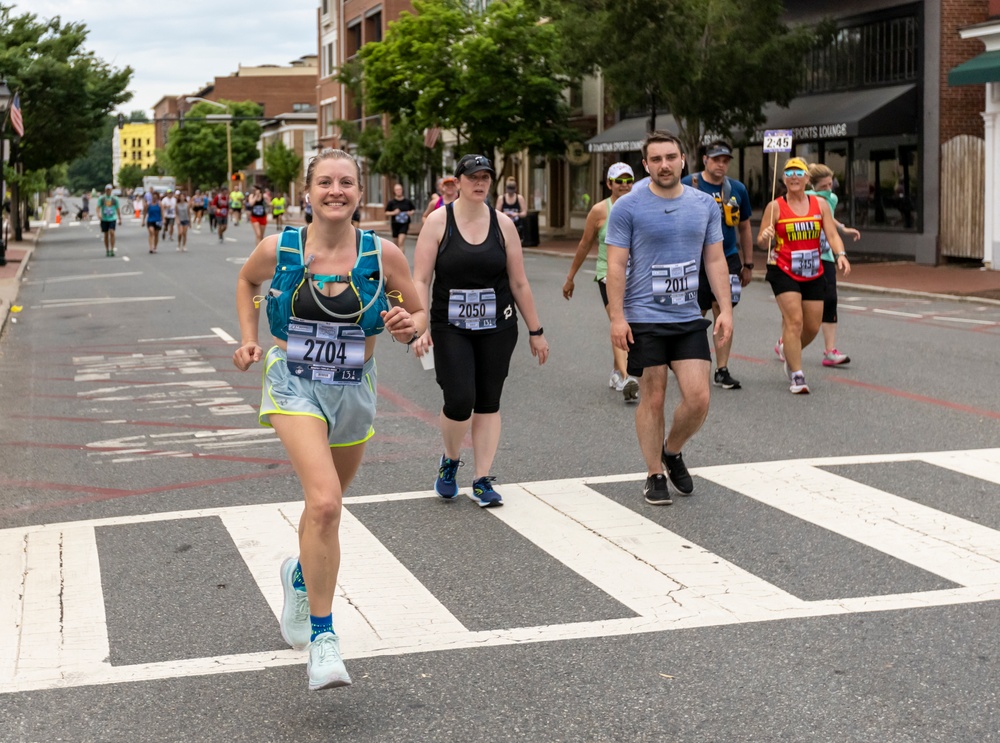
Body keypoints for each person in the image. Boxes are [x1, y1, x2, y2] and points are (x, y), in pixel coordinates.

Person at [233, 148, 425, 691]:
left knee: (325, 513)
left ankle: (299, 575)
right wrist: (249, 340)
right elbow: (247, 284)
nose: (335, 190)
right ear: (307, 191)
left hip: (353, 389)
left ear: (359, 192)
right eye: (324, 182)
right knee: (324, 502)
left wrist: (408, 324)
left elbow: (415, 316)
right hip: (293, 382)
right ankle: (324, 639)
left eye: (345, 182)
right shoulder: (280, 248)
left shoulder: (382, 256)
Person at [412, 154, 549, 508]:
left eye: (486, 177)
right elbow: (421, 279)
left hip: (498, 325)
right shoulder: (438, 222)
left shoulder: (503, 224)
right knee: (459, 400)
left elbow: (519, 282)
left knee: (488, 401)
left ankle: (482, 478)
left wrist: (536, 330)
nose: (480, 182)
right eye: (472, 176)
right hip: (450, 326)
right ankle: (450, 459)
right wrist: (420, 325)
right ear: (457, 181)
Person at [605, 130, 732, 506]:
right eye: (656, 159)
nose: (664, 165)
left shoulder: (704, 205)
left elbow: (714, 259)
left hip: (687, 315)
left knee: (698, 398)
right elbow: (616, 264)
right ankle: (654, 473)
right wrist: (617, 316)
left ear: (683, 160)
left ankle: (672, 450)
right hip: (644, 316)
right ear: (646, 164)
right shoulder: (628, 206)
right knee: (654, 397)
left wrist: (725, 309)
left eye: (670, 157)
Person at [757, 157, 849, 394]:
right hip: (783, 269)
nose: (794, 177)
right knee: (794, 320)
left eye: (799, 173)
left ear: (807, 179)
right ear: (784, 179)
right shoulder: (775, 206)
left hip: (813, 270)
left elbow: (831, 234)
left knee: (812, 326)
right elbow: (761, 241)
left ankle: (789, 349)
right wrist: (766, 236)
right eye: (789, 173)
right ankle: (797, 374)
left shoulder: (820, 205)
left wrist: (840, 254)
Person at [563, 162, 639, 403]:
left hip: (636, 275)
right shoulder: (599, 211)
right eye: (619, 181)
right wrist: (570, 277)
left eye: (629, 181)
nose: (625, 185)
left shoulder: (641, 206)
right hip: (608, 273)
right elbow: (585, 244)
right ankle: (628, 378)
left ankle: (617, 372)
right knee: (619, 321)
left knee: (632, 325)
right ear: (609, 184)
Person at [680, 140, 754, 390]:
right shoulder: (688, 184)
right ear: (705, 160)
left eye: (725, 160)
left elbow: (744, 227)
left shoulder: (737, 189)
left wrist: (749, 264)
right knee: (695, 312)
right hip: (694, 257)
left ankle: (722, 369)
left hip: (728, 257)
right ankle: (686, 361)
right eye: (716, 159)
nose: (721, 164)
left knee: (723, 311)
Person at [805, 163, 857, 366]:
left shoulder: (832, 199)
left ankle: (829, 351)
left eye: (830, 185)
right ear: (813, 185)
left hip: (825, 254)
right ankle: (786, 341)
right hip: (807, 254)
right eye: (824, 186)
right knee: (804, 305)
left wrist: (843, 229)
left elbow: (829, 218)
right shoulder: (806, 197)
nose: (829, 189)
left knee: (831, 298)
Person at [385, 183, 416, 255]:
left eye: (400, 189)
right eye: (397, 190)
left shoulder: (407, 201)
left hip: (404, 223)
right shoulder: (391, 202)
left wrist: (410, 212)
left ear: (402, 190)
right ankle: (397, 258)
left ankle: (402, 260)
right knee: (396, 244)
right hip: (395, 224)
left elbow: (413, 209)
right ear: (394, 191)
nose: (398, 191)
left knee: (401, 241)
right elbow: (386, 212)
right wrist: (394, 212)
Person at [97, 184, 121, 257]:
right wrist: (98, 214)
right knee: (106, 234)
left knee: (112, 232)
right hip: (104, 218)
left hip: (112, 218)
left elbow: (117, 208)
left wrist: (120, 218)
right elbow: (98, 207)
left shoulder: (114, 198)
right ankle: (107, 249)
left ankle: (112, 249)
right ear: (105, 190)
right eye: (107, 189)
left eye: (109, 189)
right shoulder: (102, 198)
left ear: (111, 190)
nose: (108, 191)